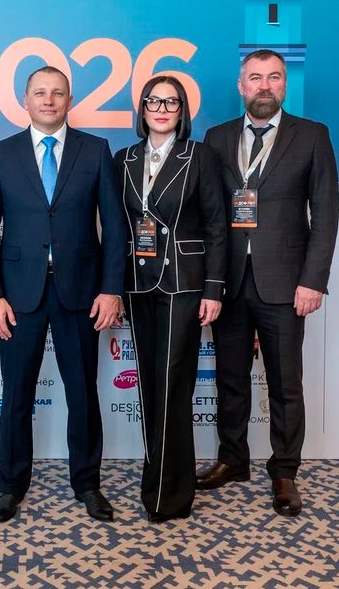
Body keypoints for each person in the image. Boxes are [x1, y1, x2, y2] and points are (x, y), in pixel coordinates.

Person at [0, 66, 126, 523]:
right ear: (25, 100)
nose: (48, 100)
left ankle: (88, 484)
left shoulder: (95, 150)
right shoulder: (0, 154)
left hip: (79, 292)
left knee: (83, 393)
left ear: (68, 101)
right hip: (18, 296)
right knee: (16, 395)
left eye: (57, 93)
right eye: (40, 92)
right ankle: (10, 486)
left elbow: (114, 226)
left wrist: (111, 289)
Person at [197, 49, 339, 517]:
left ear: (284, 85)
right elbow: (209, 215)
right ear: (241, 86)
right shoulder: (216, 138)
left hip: (286, 283)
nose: (264, 86)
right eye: (255, 77)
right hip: (229, 282)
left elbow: (325, 214)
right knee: (230, 378)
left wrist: (313, 280)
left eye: (273, 77)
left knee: (285, 383)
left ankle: (284, 471)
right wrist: (208, 282)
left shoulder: (312, 135)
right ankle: (233, 459)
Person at [113, 75, 227, 522]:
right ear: (142, 109)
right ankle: (157, 478)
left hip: (184, 283)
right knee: (149, 383)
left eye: (171, 102)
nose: (161, 109)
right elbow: (117, 226)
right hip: (138, 283)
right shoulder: (124, 159)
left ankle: (170, 495)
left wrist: (214, 288)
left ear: (182, 111)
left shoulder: (200, 156)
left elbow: (217, 226)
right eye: (154, 101)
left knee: (173, 384)